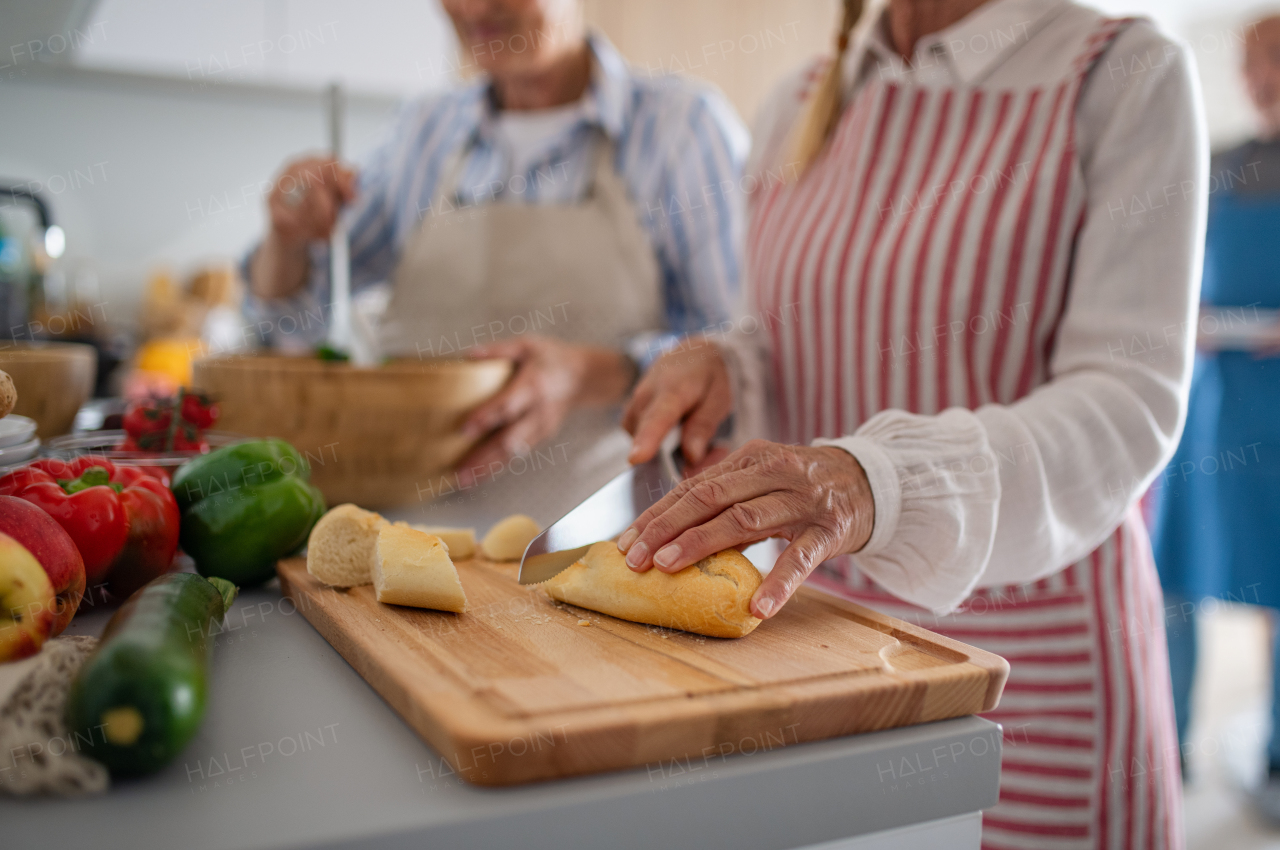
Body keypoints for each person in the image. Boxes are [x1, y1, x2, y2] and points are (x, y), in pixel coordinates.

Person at [621, 0, 1204, 845]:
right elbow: (784, 327)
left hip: (1026, 684)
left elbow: (1126, 403)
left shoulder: (1121, 73)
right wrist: (727, 364)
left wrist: (879, 482)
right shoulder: (801, 98)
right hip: (816, 653)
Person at [243, 0, 747, 525]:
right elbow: (289, 330)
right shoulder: (424, 129)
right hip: (401, 544)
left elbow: (739, 362)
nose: (473, 7)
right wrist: (287, 239)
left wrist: (595, 372)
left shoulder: (682, 130)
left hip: (600, 546)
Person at [1150, 13, 1280, 816]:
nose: (1253, 73)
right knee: (1174, 582)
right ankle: (1166, 751)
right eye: (1248, 60)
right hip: (1211, 411)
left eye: (1267, 57)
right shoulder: (1222, 163)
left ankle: (1274, 756)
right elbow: (1175, 272)